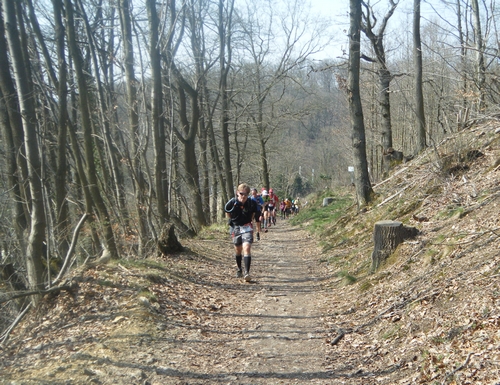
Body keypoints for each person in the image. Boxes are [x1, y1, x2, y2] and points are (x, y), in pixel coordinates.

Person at [225, 183, 257, 282]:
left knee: (246, 247)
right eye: (242, 193)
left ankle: (247, 272)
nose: (244, 196)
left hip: (247, 226)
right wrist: (234, 222)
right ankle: (239, 269)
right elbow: (227, 213)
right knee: (238, 249)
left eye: (246, 194)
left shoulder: (251, 203)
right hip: (236, 227)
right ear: (237, 193)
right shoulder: (232, 202)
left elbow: (253, 213)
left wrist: (248, 222)